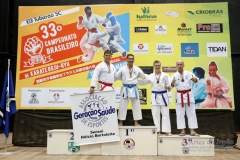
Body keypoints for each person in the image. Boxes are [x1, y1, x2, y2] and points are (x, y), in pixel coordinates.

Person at [139, 60, 172, 136]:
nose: (157, 66)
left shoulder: (165, 75)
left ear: (160, 66)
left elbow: (170, 85)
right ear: (154, 66)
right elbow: (143, 82)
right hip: (155, 96)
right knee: (155, 114)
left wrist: (168, 87)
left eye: (158, 65)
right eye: (156, 65)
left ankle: (167, 131)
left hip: (164, 95)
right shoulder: (151, 75)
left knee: (165, 114)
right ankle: (157, 131)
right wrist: (135, 81)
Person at [115, 54, 146, 126]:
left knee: (136, 105)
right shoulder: (122, 69)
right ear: (127, 59)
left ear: (134, 60)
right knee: (122, 105)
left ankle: (136, 122)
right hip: (125, 88)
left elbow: (144, 76)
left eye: (132, 59)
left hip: (134, 88)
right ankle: (120, 122)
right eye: (129, 59)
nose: (130, 60)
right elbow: (117, 77)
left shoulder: (137, 69)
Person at [171, 60, 199, 136]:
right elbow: (171, 86)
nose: (179, 65)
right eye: (178, 64)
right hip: (179, 95)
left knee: (192, 113)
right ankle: (182, 131)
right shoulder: (174, 75)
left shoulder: (189, 73)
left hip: (188, 94)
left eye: (181, 64)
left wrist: (194, 79)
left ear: (183, 65)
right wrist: (173, 83)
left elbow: (196, 80)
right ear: (176, 66)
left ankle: (192, 131)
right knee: (180, 114)